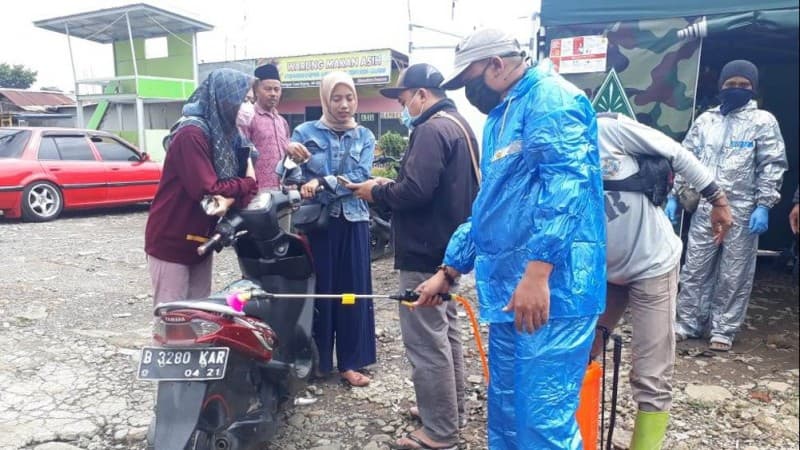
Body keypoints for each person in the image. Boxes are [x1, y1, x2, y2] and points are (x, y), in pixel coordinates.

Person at [416, 29, 606, 450]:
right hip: (509, 292)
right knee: (506, 415)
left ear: (497, 66)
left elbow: (568, 187)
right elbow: (491, 205)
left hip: (553, 293)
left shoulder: (552, 100)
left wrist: (539, 272)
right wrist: (450, 270)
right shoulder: (503, 116)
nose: (468, 92)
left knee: (543, 422)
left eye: (470, 80)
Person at [347, 63, 479, 450]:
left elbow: (416, 192)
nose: (402, 108)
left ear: (422, 94)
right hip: (448, 249)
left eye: (403, 99)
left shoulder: (430, 129)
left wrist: (378, 192)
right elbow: (432, 187)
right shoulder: (459, 125)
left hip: (425, 250)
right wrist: (392, 186)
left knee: (425, 341)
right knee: (446, 332)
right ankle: (448, 412)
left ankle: (439, 432)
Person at [593, 112, 733, 449]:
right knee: (579, 352)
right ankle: (577, 433)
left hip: (651, 265)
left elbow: (679, 154)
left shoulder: (607, 129)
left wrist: (718, 199)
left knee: (651, 373)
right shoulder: (545, 152)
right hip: (601, 272)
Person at [672, 60, 787, 352]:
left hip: (744, 209)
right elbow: (686, 159)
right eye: (731, 84)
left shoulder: (763, 121)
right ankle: (688, 323)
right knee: (695, 267)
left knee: (734, 272)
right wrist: (675, 195)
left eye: (744, 85)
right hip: (704, 209)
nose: (737, 89)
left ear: (754, 88)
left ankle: (723, 328)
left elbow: (771, 164)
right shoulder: (705, 121)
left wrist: (764, 204)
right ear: (721, 86)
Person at [284, 71, 377, 387]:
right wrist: (289, 155)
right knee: (320, 293)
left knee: (352, 294)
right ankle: (319, 361)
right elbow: (289, 177)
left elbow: (360, 175)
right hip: (318, 225)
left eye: (349, 97)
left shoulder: (364, 136)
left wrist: (322, 181)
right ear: (325, 99)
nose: (344, 104)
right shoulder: (304, 132)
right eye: (336, 98)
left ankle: (350, 362)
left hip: (353, 222)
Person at [145, 68, 258, 304]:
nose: (249, 108)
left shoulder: (229, 136)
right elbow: (208, 189)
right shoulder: (191, 133)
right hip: (172, 239)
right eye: (244, 100)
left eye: (251, 101)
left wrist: (232, 195)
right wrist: (244, 183)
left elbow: (245, 193)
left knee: (198, 314)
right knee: (173, 316)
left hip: (201, 240)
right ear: (224, 98)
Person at [237, 63, 290, 189]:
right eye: (268, 89)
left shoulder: (282, 122)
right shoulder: (247, 118)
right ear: (256, 90)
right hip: (257, 192)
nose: (273, 93)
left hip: (283, 191)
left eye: (277, 89)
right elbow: (241, 156)